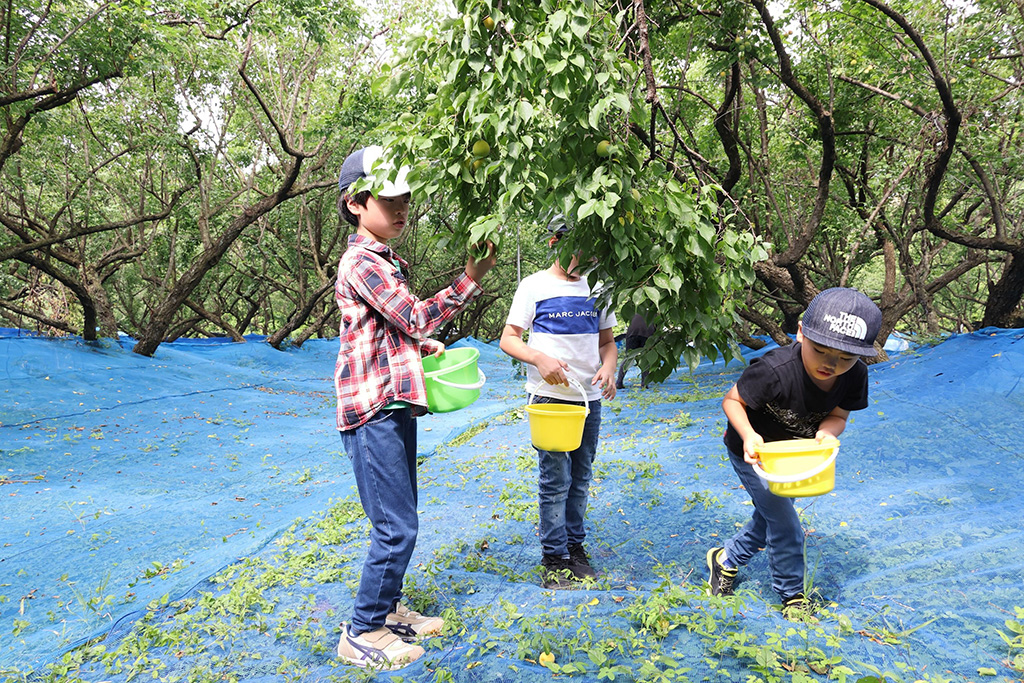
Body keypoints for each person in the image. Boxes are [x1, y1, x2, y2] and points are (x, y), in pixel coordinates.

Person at [332, 145, 496, 669]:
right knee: (396, 526)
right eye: (389, 199)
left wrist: (414, 347)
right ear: (356, 203)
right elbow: (413, 316)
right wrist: (469, 278)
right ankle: (361, 631)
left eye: (405, 197)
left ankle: (389, 610)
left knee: (401, 517)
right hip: (372, 410)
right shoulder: (361, 261)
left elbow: (391, 329)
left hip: (394, 404)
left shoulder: (386, 260)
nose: (401, 208)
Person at [707, 287, 881, 617]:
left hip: (796, 457)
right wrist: (749, 436)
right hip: (756, 454)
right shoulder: (774, 370)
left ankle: (725, 558)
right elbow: (732, 400)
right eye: (821, 350)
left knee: (770, 517)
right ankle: (792, 597)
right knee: (786, 525)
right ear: (801, 331)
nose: (831, 365)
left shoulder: (855, 375)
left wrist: (827, 434)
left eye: (845, 357)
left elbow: (839, 416)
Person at [499, 215, 618, 589]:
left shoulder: (599, 288)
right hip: (550, 399)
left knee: (580, 478)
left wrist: (610, 368)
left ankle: (574, 548)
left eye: (590, 249)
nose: (583, 256)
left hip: (588, 399)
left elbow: (607, 343)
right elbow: (509, 338)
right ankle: (554, 558)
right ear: (555, 243)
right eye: (575, 247)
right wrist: (539, 358)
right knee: (555, 479)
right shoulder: (533, 286)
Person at [615, 313, 656, 389]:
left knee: (628, 357)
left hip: (632, 334)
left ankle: (619, 382)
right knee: (646, 358)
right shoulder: (654, 314)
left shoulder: (638, 310)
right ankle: (644, 383)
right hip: (647, 334)